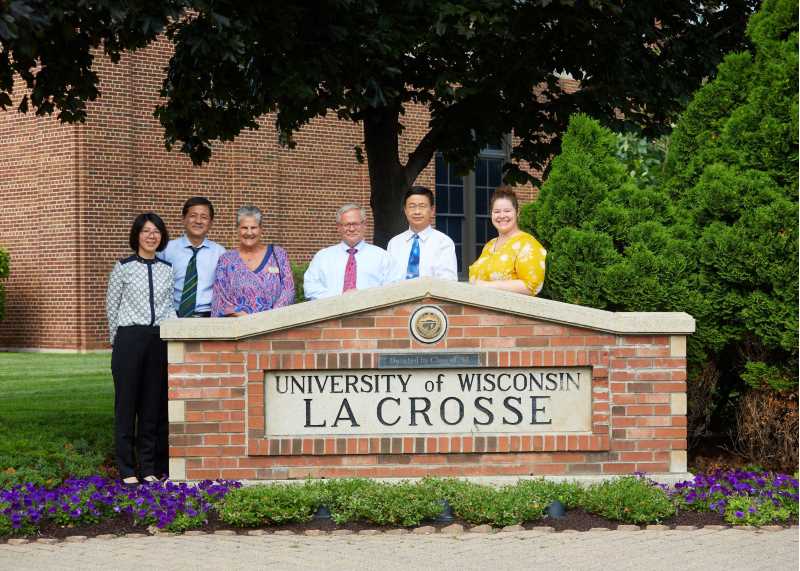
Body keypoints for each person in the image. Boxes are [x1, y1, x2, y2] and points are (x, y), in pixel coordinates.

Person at [106, 213, 176, 485]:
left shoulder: (166, 269)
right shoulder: (123, 267)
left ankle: (148, 467)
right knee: (126, 405)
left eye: (156, 231)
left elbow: (170, 305)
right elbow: (112, 306)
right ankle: (126, 468)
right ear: (137, 235)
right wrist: (118, 341)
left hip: (157, 339)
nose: (151, 236)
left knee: (151, 406)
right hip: (129, 339)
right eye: (146, 231)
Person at [304, 204, 402, 300]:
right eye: (347, 224)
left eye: (355, 224)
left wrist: (364, 298)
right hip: (332, 313)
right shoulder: (322, 257)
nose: (351, 229)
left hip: (371, 314)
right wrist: (340, 298)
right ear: (338, 227)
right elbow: (310, 288)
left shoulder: (383, 257)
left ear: (364, 225)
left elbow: (393, 289)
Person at [212, 205, 295, 315]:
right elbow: (220, 298)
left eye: (254, 228)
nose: (249, 233)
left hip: (274, 325)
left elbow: (289, 290)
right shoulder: (226, 260)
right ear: (237, 229)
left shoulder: (278, 254)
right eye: (244, 228)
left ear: (261, 229)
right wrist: (243, 317)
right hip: (239, 327)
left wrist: (271, 316)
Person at [468, 186, 547, 295]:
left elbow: (531, 285)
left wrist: (489, 286)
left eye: (507, 211)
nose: (502, 216)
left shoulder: (528, 244)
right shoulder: (489, 245)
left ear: (517, 212)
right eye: (496, 211)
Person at [159, 197, 226, 318]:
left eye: (204, 217)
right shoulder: (166, 250)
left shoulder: (220, 253)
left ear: (211, 223)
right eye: (193, 215)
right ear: (183, 219)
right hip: (172, 317)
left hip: (208, 317)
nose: (198, 221)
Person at [387, 186, 458, 281]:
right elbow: (388, 279)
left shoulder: (443, 243)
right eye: (412, 206)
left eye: (422, 206)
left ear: (432, 210)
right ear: (405, 210)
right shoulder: (394, 243)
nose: (417, 212)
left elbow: (448, 281)